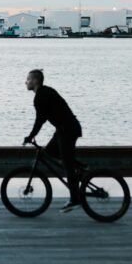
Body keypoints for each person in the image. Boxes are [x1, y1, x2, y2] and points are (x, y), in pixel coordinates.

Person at [23, 68, 83, 212]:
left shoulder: (40, 97)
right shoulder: (47, 91)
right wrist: (32, 135)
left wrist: (30, 136)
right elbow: (44, 117)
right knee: (50, 152)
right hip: (65, 129)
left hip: (67, 130)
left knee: (67, 165)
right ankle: (80, 167)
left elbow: (40, 119)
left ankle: (75, 200)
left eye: (29, 79)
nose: (26, 82)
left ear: (36, 81)